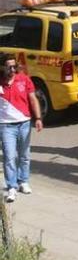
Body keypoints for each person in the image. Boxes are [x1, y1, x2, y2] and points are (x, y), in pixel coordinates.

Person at [0, 56, 43, 203]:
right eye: (8, 67)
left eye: (14, 67)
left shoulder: (24, 79)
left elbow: (33, 99)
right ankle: (11, 186)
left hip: (24, 123)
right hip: (6, 125)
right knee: (9, 156)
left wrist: (38, 118)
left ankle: (23, 181)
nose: (12, 70)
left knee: (24, 155)